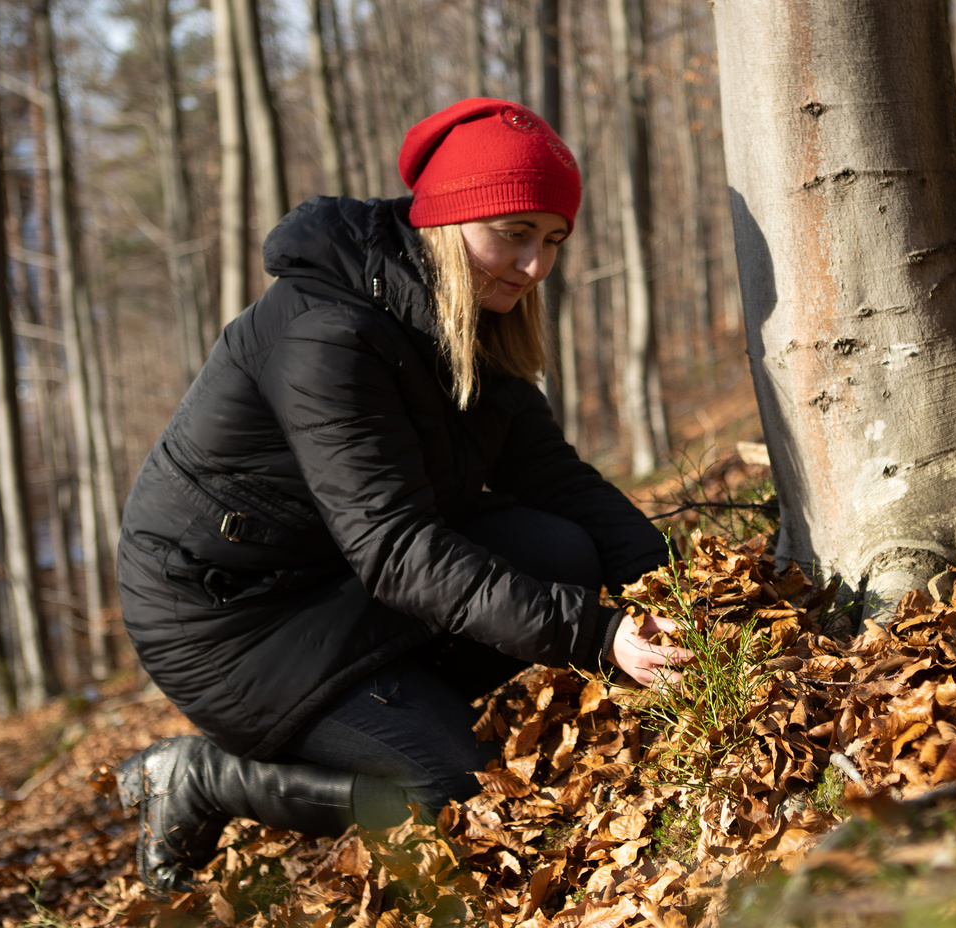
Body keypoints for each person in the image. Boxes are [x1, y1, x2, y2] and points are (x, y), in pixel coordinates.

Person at [113, 99, 689, 899]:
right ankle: (208, 777)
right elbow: (393, 547)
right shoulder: (325, 335)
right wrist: (596, 637)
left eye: (552, 239)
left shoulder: (475, 316)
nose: (534, 269)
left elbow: (554, 478)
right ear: (449, 222)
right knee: (454, 791)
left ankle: (392, 713)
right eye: (514, 232)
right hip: (230, 620)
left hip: (335, 575)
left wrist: (680, 590)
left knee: (565, 548)